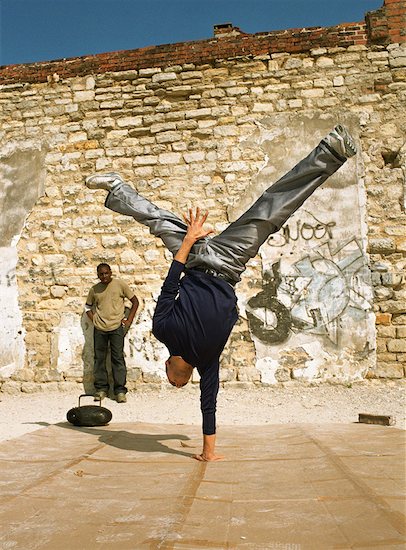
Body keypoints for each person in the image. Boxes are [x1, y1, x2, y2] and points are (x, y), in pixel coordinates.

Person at [85, 124, 357, 459]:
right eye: (178, 385)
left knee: (157, 221)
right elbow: (208, 406)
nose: (175, 382)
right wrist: (208, 452)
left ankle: (117, 188)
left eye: (172, 381)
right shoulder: (207, 362)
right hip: (230, 261)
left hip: (195, 257)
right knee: (272, 210)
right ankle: (332, 152)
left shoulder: (163, 331)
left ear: (169, 366)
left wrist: (188, 241)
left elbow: (172, 282)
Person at [85, 263, 139, 403]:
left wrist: (129, 320)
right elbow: (87, 307)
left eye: (106, 273)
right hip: (100, 329)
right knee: (99, 359)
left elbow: (135, 301)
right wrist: (94, 320)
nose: (104, 276)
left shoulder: (120, 285)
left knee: (117, 359)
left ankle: (120, 391)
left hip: (116, 328)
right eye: (101, 274)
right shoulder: (94, 290)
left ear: (110, 272)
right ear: (98, 275)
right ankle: (101, 389)